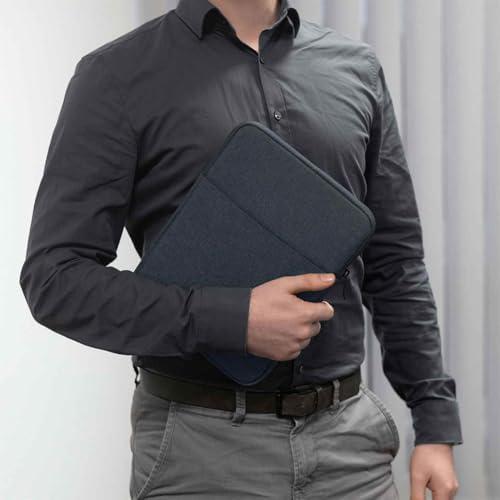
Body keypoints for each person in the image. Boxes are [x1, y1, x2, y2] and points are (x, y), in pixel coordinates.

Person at [19, 0, 463, 498]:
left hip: (351, 448)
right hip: (200, 452)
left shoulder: (357, 68)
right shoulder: (115, 75)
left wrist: (434, 419)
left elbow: (395, 260)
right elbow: (55, 278)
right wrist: (233, 319)